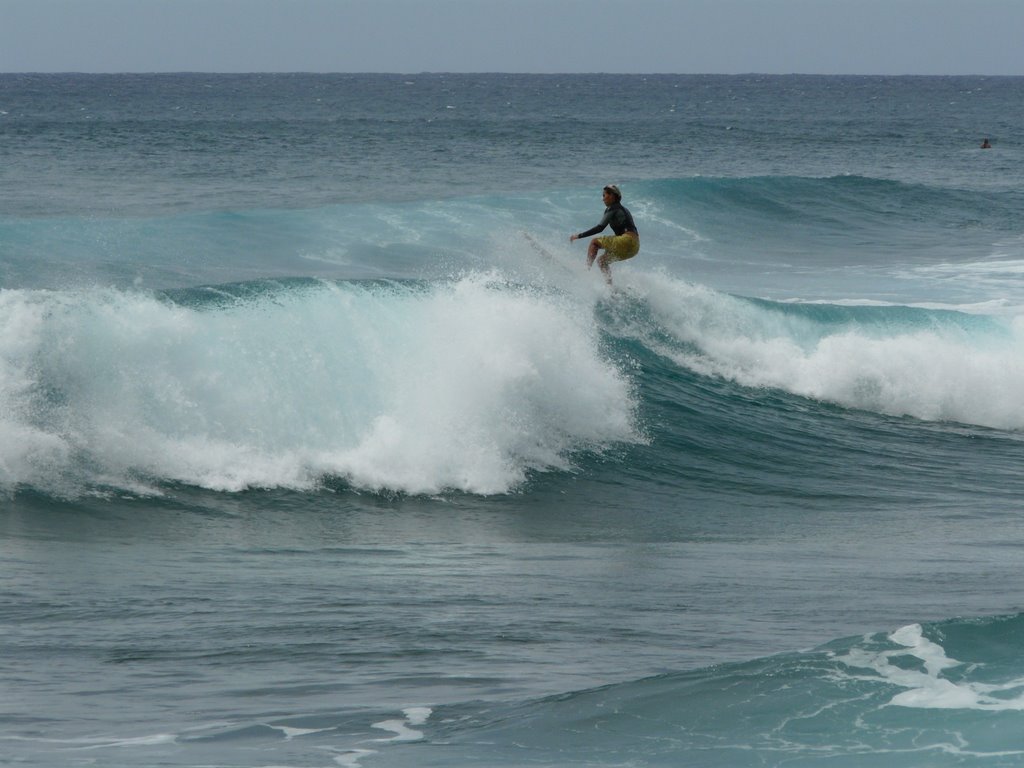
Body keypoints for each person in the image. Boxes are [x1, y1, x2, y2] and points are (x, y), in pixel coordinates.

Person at [569, 184, 639, 285]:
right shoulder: (624, 209)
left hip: (626, 240)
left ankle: (585, 271)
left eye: (604, 195)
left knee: (594, 242)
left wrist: (578, 236)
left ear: (612, 196)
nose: (603, 199)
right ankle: (610, 288)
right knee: (602, 261)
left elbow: (599, 228)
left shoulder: (613, 208)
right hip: (634, 248)